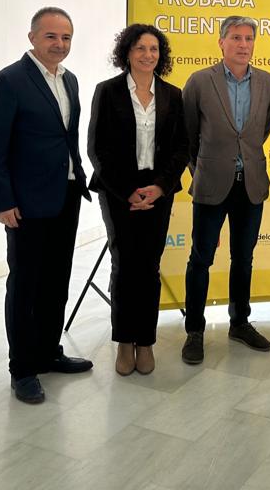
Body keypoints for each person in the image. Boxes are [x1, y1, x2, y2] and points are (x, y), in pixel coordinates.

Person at [0, 6, 93, 405]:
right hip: (25, 203)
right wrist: (2, 201)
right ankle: (23, 368)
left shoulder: (70, 80)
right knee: (25, 284)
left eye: (66, 37)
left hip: (65, 195)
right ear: (32, 38)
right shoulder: (9, 81)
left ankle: (48, 352)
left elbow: (67, 136)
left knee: (57, 280)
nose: (59, 44)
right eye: (51, 36)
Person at [88, 24, 188, 376]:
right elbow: (98, 149)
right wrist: (128, 190)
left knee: (149, 267)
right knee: (124, 266)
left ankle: (145, 342)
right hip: (119, 192)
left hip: (158, 191)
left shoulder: (173, 95)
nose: (148, 55)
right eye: (141, 48)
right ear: (127, 53)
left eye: (154, 49)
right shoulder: (107, 91)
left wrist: (160, 187)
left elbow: (181, 149)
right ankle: (124, 341)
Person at [180, 16, 270, 364]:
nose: (243, 44)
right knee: (201, 258)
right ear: (221, 42)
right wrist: (202, 168)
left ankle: (240, 323)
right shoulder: (199, 81)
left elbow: (261, 130)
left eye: (249, 38)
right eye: (236, 37)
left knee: (244, 257)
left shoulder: (267, 82)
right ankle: (194, 330)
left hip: (250, 183)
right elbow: (188, 134)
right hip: (211, 182)